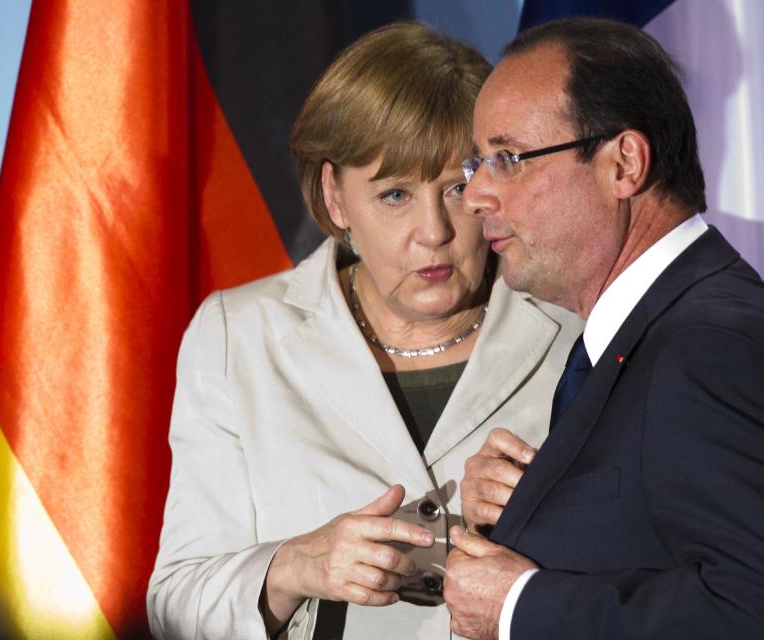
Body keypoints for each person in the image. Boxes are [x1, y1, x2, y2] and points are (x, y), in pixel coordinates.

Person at [146, 22, 582, 640]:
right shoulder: (236, 337)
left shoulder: (574, 326)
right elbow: (175, 606)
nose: (434, 232)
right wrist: (294, 566)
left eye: (457, 188)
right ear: (336, 197)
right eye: (395, 194)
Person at [443, 17, 764, 640]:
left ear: (624, 165)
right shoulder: (654, 332)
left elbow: (755, 617)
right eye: (479, 163)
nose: (475, 195)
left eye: (507, 159)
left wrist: (518, 605)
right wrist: (525, 510)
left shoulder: (706, 347)